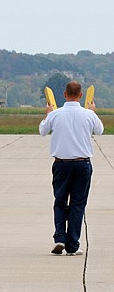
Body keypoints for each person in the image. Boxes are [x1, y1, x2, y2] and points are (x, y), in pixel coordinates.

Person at [39, 81, 104, 255]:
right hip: (82, 164)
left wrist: (47, 114)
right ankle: (73, 245)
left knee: (60, 201)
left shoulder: (55, 114)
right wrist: (92, 112)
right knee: (78, 204)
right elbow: (100, 130)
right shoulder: (88, 114)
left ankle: (60, 237)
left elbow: (42, 131)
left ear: (65, 95)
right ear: (81, 95)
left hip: (61, 164)